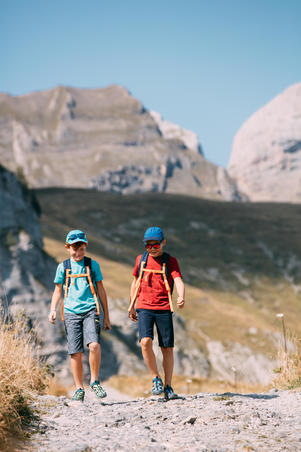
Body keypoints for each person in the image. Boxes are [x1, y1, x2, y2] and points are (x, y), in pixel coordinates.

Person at [48, 229, 110, 402]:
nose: (78, 252)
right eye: (74, 248)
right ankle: (78, 388)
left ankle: (95, 382)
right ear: (67, 248)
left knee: (94, 345)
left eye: (81, 248)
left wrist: (106, 316)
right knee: (75, 352)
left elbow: (101, 290)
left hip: (91, 309)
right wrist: (53, 309)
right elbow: (57, 290)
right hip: (70, 312)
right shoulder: (63, 267)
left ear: (85, 246)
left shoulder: (93, 265)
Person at [128, 226, 185, 399]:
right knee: (145, 342)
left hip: (164, 308)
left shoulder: (171, 261)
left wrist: (181, 296)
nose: (152, 248)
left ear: (163, 243)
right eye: (148, 245)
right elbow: (135, 282)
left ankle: (168, 386)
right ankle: (155, 378)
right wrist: (131, 304)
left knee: (166, 348)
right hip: (144, 306)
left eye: (156, 245)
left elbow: (178, 280)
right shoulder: (141, 259)